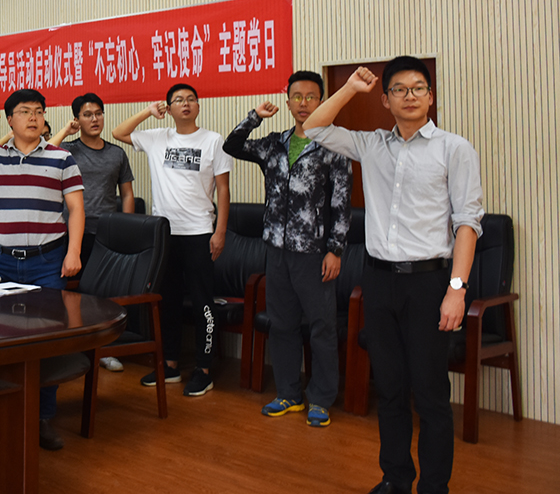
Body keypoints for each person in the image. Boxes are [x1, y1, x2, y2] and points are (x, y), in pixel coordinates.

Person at [304, 58, 483, 494]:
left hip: (429, 283)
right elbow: (314, 127)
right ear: (385, 100)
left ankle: (434, 487)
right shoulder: (371, 145)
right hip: (379, 280)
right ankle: (395, 479)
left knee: (431, 393)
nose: (410, 96)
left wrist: (456, 289)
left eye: (418, 88)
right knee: (389, 388)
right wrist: (349, 88)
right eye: (399, 89)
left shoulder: (454, 148)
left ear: (430, 97)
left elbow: (467, 223)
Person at [0, 88, 84, 451]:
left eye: (38, 111)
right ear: (10, 119)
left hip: (47, 260)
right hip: (3, 261)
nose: (33, 117)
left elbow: (76, 209)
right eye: (24, 111)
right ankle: (8, 410)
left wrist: (73, 253)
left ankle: (43, 417)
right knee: (2, 338)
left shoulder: (61, 157)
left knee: (47, 340)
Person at [223, 71, 352, 428]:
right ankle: (289, 394)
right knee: (282, 325)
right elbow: (232, 146)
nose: (304, 103)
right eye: (297, 97)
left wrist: (336, 250)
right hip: (276, 250)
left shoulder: (333, 147)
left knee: (322, 327)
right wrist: (254, 117)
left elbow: (342, 204)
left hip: (314, 253)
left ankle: (321, 398)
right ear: (288, 101)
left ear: (322, 101)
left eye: (311, 97)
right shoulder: (274, 144)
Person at [112, 83, 231, 397]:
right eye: (178, 100)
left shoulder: (213, 140)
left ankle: (204, 370)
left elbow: (223, 189)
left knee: (203, 303)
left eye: (191, 99)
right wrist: (148, 112)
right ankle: (171, 365)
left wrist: (220, 231)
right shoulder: (157, 137)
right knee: (168, 303)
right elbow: (119, 132)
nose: (185, 103)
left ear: (198, 106)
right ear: (169, 107)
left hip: (200, 232)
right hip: (164, 234)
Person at [51, 91, 135, 372]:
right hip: (74, 233)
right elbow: (44, 153)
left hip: (107, 233)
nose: (95, 119)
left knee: (103, 294)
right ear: (77, 119)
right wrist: (66, 131)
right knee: (73, 293)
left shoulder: (116, 153)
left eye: (98, 113)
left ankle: (103, 349)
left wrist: (126, 227)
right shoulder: (67, 150)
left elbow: (127, 194)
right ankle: (72, 345)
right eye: (87, 115)